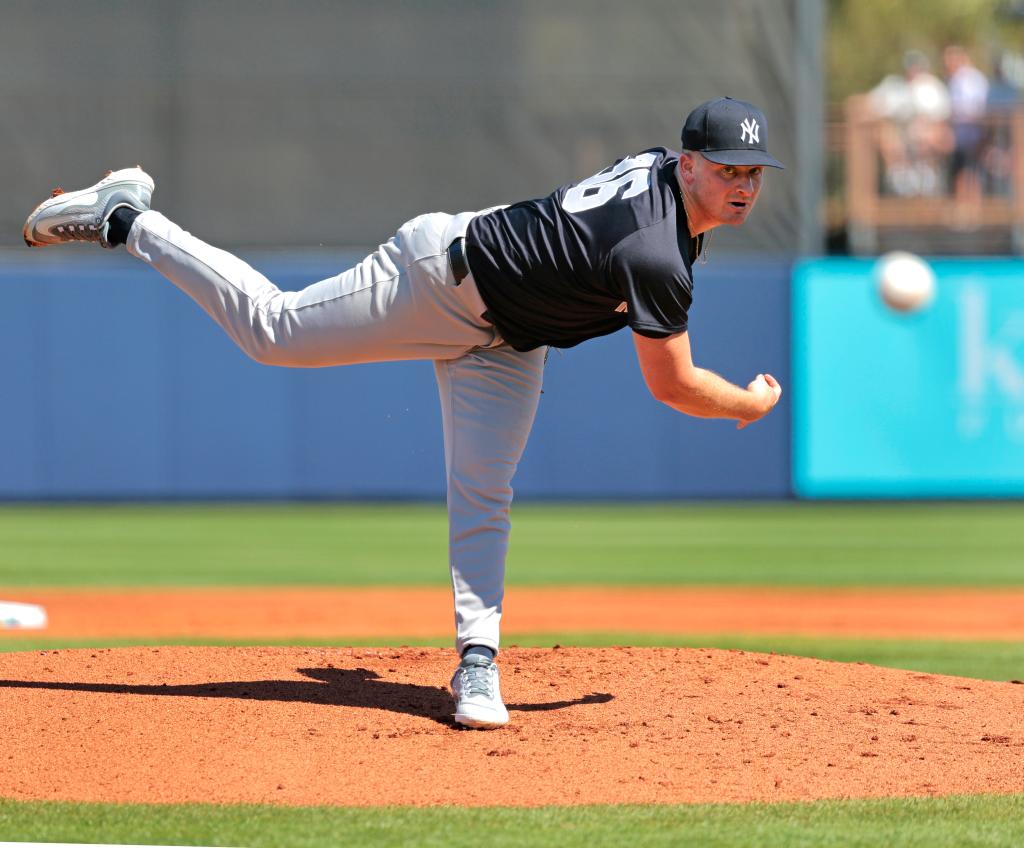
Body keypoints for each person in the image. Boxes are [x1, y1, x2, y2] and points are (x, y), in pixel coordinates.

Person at [22, 96, 784, 730]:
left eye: (752, 171)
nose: (742, 184)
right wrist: (745, 404)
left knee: (486, 490)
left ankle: (477, 664)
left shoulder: (664, 183)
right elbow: (672, 385)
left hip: (510, 337)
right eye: (726, 169)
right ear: (687, 165)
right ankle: (128, 218)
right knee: (274, 330)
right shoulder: (655, 251)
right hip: (440, 279)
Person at [868, 50, 951, 196]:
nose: (913, 70)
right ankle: (901, 180)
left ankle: (922, 181)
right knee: (887, 134)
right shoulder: (895, 86)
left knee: (925, 134)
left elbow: (941, 123)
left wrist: (924, 130)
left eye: (917, 66)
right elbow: (870, 106)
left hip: (925, 142)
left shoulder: (933, 88)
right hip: (901, 143)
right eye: (911, 66)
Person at [944, 45, 990, 223]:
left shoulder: (971, 79)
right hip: (961, 135)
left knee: (971, 172)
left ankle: (972, 211)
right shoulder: (957, 79)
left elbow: (977, 106)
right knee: (962, 170)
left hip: (971, 134)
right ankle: (963, 209)